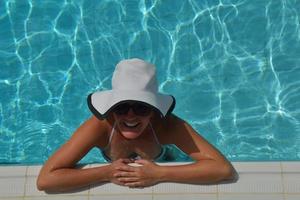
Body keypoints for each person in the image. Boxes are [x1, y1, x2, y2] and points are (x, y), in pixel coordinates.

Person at [37, 58, 236, 192]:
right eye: (122, 107)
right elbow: (46, 179)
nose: (130, 116)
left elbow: (222, 169)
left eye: (141, 108)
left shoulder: (168, 126)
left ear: (153, 109)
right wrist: (105, 173)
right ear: (112, 108)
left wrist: (160, 173)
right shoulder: (100, 127)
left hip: (166, 158)